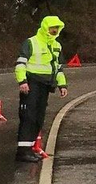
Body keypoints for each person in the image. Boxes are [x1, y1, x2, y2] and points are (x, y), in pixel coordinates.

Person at [15, 15, 68, 162]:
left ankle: (30, 148)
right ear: (45, 27)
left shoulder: (56, 45)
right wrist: (22, 81)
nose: (54, 31)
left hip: (45, 85)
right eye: (52, 28)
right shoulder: (31, 42)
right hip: (31, 83)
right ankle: (22, 152)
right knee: (28, 117)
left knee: (38, 117)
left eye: (56, 28)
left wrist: (62, 85)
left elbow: (58, 68)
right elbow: (20, 64)